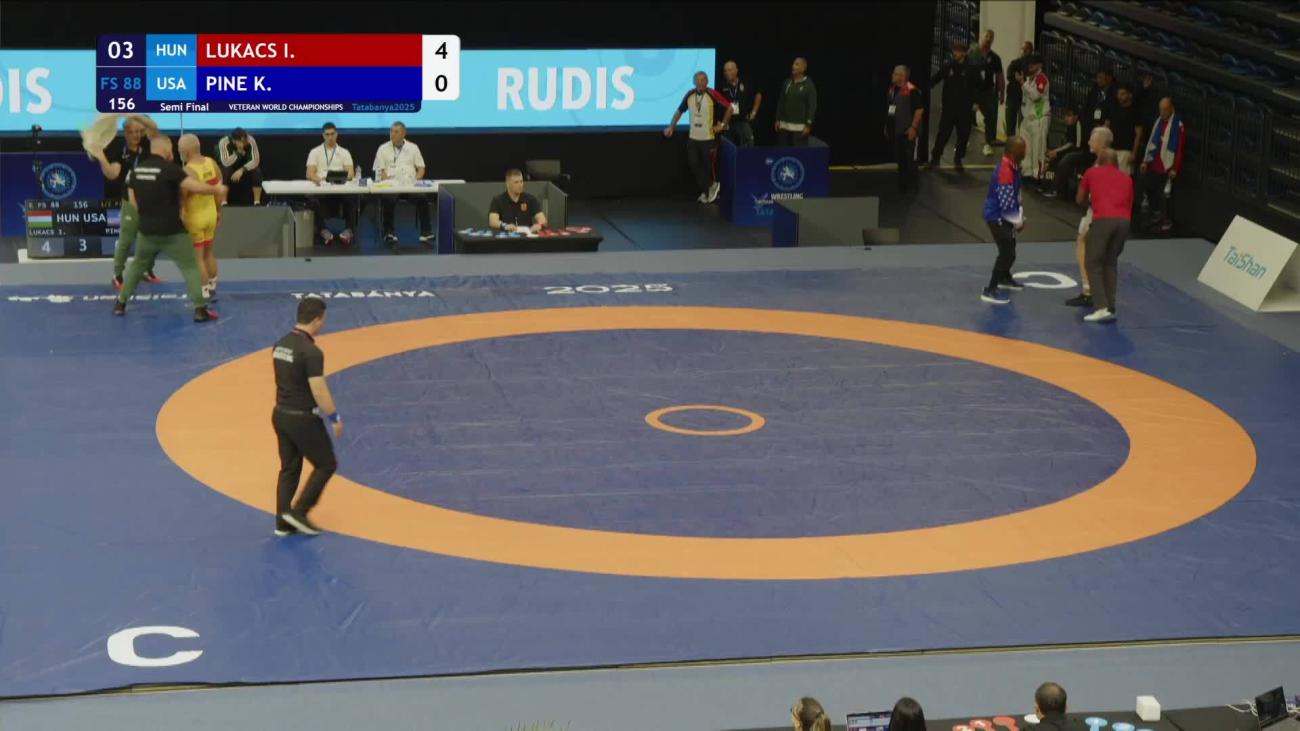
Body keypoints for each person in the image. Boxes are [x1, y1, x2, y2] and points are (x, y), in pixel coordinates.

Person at [111, 135, 224, 322]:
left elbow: (133, 202)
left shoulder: (135, 172)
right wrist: (216, 190)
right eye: (171, 149)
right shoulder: (171, 170)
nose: (173, 153)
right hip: (173, 232)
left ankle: (120, 304)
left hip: (147, 231)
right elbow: (195, 187)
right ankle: (200, 309)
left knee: (137, 266)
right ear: (165, 150)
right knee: (190, 267)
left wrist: (146, 216)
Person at [271, 296, 341, 537]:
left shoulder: (280, 345)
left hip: (281, 414)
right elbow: (319, 389)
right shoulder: (311, 352)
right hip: (302, 418)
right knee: (326, 464)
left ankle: (282, 521)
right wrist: (334, 417)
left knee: (289, 468)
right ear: (317, 320)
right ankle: (299, 512)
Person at [90, 113, 160, 289]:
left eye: (139, 131)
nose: (136, 135)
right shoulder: (118, 150)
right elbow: (112, 173)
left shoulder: (147, 143)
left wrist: (133, 114)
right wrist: (100, 156)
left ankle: (146, 270)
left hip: (151, 200)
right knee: (126, 240)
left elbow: (153, 127)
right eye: (132, 132)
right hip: (130, 200)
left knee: (156, 238)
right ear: (125, 132)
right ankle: (117, 275)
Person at [1077, 148, 1133, 323]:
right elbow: (1130, 204)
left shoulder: (1091, 172)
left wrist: (1093, 204)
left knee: (1092, 261)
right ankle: (1110, 306)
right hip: (1124, 222)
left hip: (1103, 220)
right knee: (1110, 262)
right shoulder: (1127, 178)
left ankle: (1101, 307)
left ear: (1099, 161)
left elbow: (1080, 198)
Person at [664, 71, 732, 203]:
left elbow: (729, 108)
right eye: (698, 80)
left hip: (709, 138)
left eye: (703, 80)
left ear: (707, 82)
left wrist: (722, 125)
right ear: (694, 82)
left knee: (708, 167)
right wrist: (671, 126)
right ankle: (709, 188)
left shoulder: (713, 94)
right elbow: (679, 111)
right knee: (694, 164)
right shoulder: (689, 95)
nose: (700, 82)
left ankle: (709, 191)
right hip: (693, 138)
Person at [1064, 125, 1113, 309]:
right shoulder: (1104, 160)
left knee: (1086, 245)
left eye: (1092, 139)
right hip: (1098, 211)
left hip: (1099, 213)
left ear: (1101, 142)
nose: (1089, 142)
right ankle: (1094, 290)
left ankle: (1089, 292)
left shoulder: (1104, 162)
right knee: (1088, 245)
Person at [373, 121, 434, 251]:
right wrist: (389, 182)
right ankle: (389, 233)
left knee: (422, 198)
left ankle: (426, 233)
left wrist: (416, 180)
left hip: (409, 185)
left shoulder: (413, 148)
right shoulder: (382, 148)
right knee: (388, 199)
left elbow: (421, 169)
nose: (392, 134)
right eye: (391, 131)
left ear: (403, 133)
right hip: (391, 186)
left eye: (396, 132)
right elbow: (380, 171)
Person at [178, 134, 225, 301]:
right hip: (211, 214)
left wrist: (181, 216)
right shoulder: (211, 163)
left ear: (186, 152)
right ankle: (212, 287)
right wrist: (218, 211)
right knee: (208, 253)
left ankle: (203, 292)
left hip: (195, 218)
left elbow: (182, 199)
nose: (179, 153)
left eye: (180, 150)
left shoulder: (187, 171)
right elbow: (219, 191)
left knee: (197, 258)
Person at [981, 137, 1027, 305]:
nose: (1025, 152)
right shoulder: (1006, 171)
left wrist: (1019, 212)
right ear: (1014, 152)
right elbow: (1006, 203)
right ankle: (990, 289)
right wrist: (1018, 221)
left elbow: (1015, 194)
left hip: (1003, 215)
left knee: (1010, 247)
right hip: (997, 216)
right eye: (1023, 149)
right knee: (1007, 252)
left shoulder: (1013, 166)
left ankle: (1005, 278)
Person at [927, 40, 980, 172]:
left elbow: (979, 86)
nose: (954, 53)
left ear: (964, 53)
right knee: (943, 134)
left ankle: (958, 159)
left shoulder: (972, 69)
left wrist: (977, 102)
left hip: (964, 109)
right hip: (949, 108)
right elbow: (936, 78)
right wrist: (924, 87)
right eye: (954, 51)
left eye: (957, 51)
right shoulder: (949, 66)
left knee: (963, 135)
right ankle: (935, 159)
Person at [305, 122, 358, 248]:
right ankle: (323, 230)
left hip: (340, 187)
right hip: (322, 187)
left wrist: (341, 178)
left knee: (353, 198)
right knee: (312, 199)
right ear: (323, 136)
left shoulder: (344, 152)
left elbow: (351, 173)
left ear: (336, 134)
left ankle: (348, 230)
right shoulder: (315, 152)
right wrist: (318, 179)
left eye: (332, 134)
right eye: (327, 134)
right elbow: (309, 173)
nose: (330, 137)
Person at [1138, 96, 1184, 233]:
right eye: (1161, 110)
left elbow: (1179, 149)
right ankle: (1156, 214)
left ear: (1172, 109)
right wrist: (1146, 161)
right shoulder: (1158, 122)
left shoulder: (1178, 125)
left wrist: (1175, 168)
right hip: (1155, 164)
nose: (1162, 113)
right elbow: (1152, 142)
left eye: (1165, 110)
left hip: (1167, 166)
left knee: (1165, 196)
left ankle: (1167, 221)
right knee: (1150, 189)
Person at [887, 64, 925, 193]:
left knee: (911, 161)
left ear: (902, 76)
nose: (892, 75)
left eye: (895, 73)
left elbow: (919, 110)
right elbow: (891, 108)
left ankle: (913, 186)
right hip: (898, 132)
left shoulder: (911, 90)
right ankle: (903, 184)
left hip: (909, 132)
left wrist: (913, 128)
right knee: (901, 160)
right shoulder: (893, 89)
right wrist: (888, 126)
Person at [969, 29, 1004, 156]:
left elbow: (999, 76)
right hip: (972, 91)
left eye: (991, 37)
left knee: (991, 118)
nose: (989, 38)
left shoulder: (995, 58)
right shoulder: (972, 54)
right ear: (981, 37)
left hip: (988, 91)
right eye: (987, 36)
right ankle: (963, 141)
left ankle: (988, 144)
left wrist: (1002, 92)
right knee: (965, 116)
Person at [1019, 55, 1051, 182]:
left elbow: (1036, 96)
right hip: (1027, 119)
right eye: (1029, 64)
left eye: (1033, 64)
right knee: (1026, 148)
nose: (1030, 66)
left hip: (1039, 119)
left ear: (1039, 65)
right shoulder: (1028, 80)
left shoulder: (1042, 79)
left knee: (1038, 149)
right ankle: (1027, 172)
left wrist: (1022, 83)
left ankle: (1038, 176)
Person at [774, 57, 817, 147]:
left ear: (803, 69)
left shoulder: (808, 85)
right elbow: (781, 101)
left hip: (799, 128)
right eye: (793, 64)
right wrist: (778, 119)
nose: (793, 66)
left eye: (797, 64)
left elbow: (812, 106)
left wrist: (808, 125)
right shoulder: (787, 82)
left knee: (798, 154)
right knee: (783, 153)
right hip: (784, 126)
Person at [719, 60, 761, 148]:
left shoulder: (746, 82)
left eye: (729, 70)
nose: (727, 73)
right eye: (725, 71)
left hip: (743, 120)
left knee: (748, 148)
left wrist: (754, 112)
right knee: (728, 149)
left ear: (736, 70)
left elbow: (758, 95)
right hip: (728, 122)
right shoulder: (722, 86)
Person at [216, 127, 262, 206]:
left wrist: (242, 170)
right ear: (234, 141)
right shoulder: (223, 142)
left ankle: (257, 202)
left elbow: (255, 160)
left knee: (257, 171)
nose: (245, 142)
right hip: (230, 164)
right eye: (242, 141)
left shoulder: (250, 140)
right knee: (225, 171)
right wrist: (238, 152)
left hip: (245, 165)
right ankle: (224, 202)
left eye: (245, 139)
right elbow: (225, 162)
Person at [1043, 108, 1083, 197]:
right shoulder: (1069, 126)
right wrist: (1055, 151)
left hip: (1079, 151)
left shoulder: (1078, 125)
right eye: (1065, 116)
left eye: (1069, 116)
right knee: (1050, 157)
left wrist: (1056, 151)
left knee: (1063, 161)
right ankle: (1047, 185)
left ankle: (1056, 190)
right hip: (1070, 149)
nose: (1066, 118)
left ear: (1076, 117)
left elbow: (1074, 145)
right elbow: (1067, 144)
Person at [1104, 84, 1143, 175]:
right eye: (1118, 94)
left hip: (1126, 151)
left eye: (1122, 94)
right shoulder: (1113, 108)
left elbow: (1139, 134)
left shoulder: (1135, 111)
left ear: (1130, 95)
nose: (1120, 96)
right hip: (1111, 149)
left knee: (1122, 178)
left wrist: (1134, 153)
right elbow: (1106, 127)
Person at [1004, 41, 1033, 140]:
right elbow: (1009, 74)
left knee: (1023, 125)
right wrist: (1016, 77)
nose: (1023, 51)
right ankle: (1010, 143)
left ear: (1031, 51)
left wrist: (1022, 79)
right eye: (1022, 48)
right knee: (1010, 122)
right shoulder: (1015, 63)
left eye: (1026, 49)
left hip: (1025, 99)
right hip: (1012, 97)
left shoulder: (1032, 66)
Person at [1083, 68, 1117, 139]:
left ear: (1109, 78)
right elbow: (1087, 107)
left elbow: (1114, 109)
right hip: (1092, 124)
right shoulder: (1094, 90)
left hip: (1106, 127)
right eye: (1097, 78)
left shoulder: (1115, 92)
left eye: (1100, 77)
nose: (1098, 80)